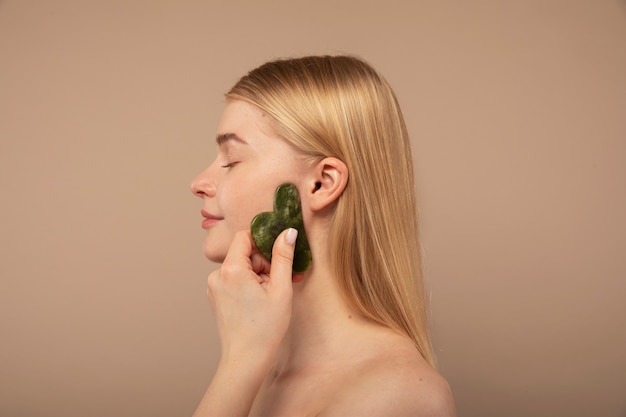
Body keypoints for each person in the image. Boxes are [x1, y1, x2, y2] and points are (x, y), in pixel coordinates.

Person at [190, 55, 456, 417]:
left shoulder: (396, 397)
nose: (199, 183)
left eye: (232, 160)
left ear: (322, 183)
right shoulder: (266, 373)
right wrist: (243, 361)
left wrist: (238, 363)